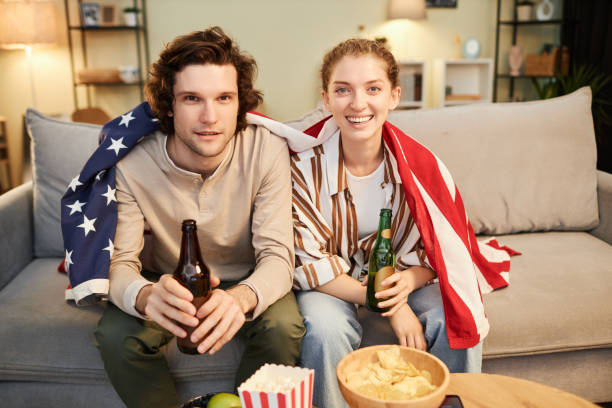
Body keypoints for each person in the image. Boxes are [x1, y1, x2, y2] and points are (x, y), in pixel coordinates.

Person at [291, 38, 513, 407]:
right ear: (326, 99)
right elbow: (307, 260)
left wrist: (409, 281)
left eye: (372, 89)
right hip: (333, 284)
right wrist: (391, 306)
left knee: (453, 316)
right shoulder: (301, 167)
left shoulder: (421, 168)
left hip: (400, 277)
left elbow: (437, 251)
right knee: (324, 331)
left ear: (394, 96)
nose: (358, 103)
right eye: (343, 90)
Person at [92, 27, 304, 408]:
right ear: (169, 105)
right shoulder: (130, 162)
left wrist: (241, 298)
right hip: (166, 279)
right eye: (192, 98)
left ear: (240, 103)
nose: (210, 117)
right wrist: (144, 295)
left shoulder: (267, 149)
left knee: (284, 328)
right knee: (115, 335)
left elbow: (278, 256)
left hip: (245, 275)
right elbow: (120, 263)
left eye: (224, 98)